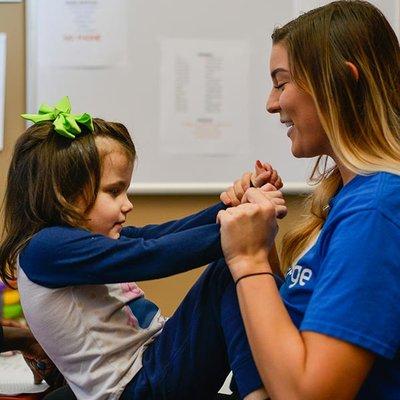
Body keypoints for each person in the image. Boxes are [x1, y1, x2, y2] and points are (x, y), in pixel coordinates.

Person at [0, 96, 286, 400]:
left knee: (231, 265)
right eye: (114, 191)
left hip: (151, 367)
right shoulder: (45, 249)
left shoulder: (76, 244)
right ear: (64, 195)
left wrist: (233, 207)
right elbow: (152, 254)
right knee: (228, 272)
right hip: (136, 389)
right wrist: (242, 228)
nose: (128, 204)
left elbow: (161, 235)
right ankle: (262, 393)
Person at [217, 1, 400, 399]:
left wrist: (246, 262)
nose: (271, 103)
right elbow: (297, 330)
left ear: (342, 82)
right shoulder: (355, 197)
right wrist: (262, 251)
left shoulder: (376, 209)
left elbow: (307, 393)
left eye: (282, 83)